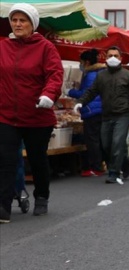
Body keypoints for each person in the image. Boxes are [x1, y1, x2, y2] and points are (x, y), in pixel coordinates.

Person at [0, 3, 64, 223]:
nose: (17, 24)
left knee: (37, 160)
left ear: (32, 24)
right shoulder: (3, 47)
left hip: (38, 115)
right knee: (6, 161)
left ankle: (42, 197)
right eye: (14, 20)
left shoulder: (45, 47)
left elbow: (55, 74)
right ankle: (3, 207)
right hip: (7, 115)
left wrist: (49, 94)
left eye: (23, 20)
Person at [75, 46, 129, 184]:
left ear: (121, 58)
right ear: (106, 58)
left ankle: (113, 172)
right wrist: (80, 102)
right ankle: (126, 161)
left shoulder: (128, 76)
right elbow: (91, 91)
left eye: (115, 55)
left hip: (123, 114)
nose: (112, 58)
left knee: (117, 143)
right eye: (109, 55)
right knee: (106, 145)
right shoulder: (100, 76)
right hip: (106, 115)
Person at [68, 49, 106, 177]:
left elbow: (86, 94)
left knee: (92, 140)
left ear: (87, 62)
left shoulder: (90, 75)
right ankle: (100, 165)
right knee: (99, 139)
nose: (80, 65)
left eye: (81, 62)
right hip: (100, 110)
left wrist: (70, 91)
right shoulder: (100, 72)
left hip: (91, 110)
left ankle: (96, 167)